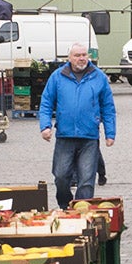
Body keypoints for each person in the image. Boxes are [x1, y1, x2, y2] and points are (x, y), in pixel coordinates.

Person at [39, 41, 117, 205]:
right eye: (77, 55)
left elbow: (108, 107)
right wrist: (45, 126)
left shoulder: (99, 77)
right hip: (65, 136)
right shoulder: (58, 76)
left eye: (84, 55)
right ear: (69, 58)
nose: (82, 59)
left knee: (87, 180)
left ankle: (82, 214)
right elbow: (46, 102)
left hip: (89, 137)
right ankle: (65, 206)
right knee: (60, 177)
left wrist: (110, 133)